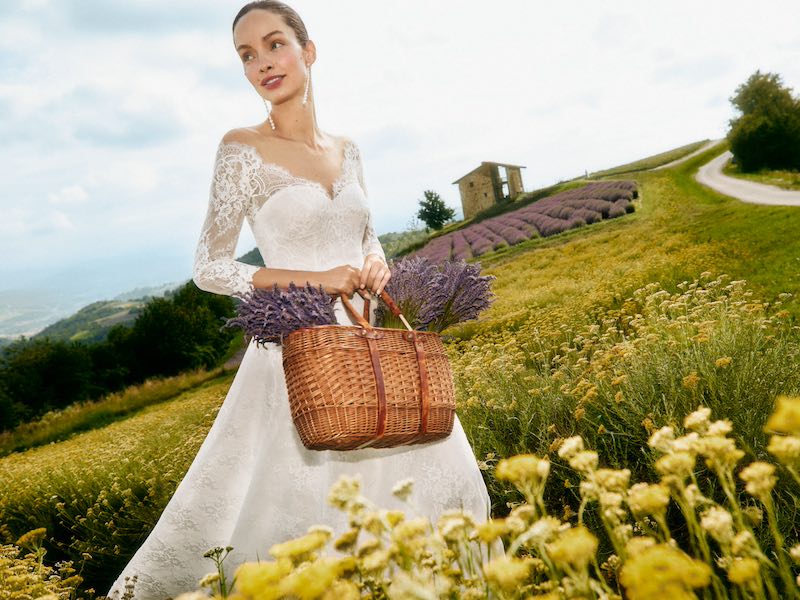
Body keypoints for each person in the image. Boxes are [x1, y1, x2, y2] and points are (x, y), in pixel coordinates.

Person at [107, 2, 503, 597]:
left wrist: (375, 265)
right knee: (306, 518)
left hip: (373, 346)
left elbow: (366, 237)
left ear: (308, 50)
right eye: (246, 55)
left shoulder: (350, 149)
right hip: (301, 350)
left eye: (274, 45)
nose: (262, 63)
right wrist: (314, 281)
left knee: (423, 478)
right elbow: (210, 267)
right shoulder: (240, 149)